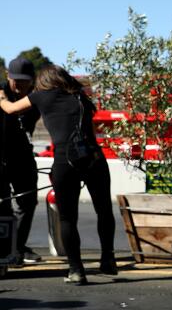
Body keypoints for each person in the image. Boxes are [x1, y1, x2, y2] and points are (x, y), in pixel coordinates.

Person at [0, 65, 115, 284]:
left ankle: (76, 270)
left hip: (66, 160)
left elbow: (11, 109)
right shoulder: (80, 96)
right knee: (104, 211)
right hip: (94, 157)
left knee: (68, 217)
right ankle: (108, 259)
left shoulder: (41, 95)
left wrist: (2, 97)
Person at [1, 57, 41, 263]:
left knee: (28, 202)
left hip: (23, 157)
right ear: (8, 77)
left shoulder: (36, 98)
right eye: (15, 80)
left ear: (31, 80)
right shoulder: (0, 93)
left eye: (24, 81)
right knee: (3, 207)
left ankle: (18, 246)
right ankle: (6, 250)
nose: (19, 85)